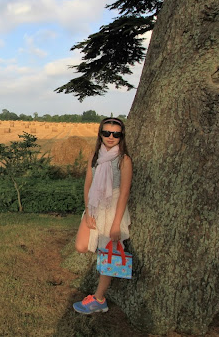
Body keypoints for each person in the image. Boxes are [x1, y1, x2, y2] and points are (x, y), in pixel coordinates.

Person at [72, 117, 132, 314]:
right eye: (106, 133)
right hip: (94, 205)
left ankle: (99, 299)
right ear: (100, 134)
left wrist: (116, 224)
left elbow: (124, 193)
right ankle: (100, 261)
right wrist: (88, 211)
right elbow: (87, 185)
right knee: (81, 246)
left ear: (121, 136)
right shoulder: (94, 156)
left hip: (113, 208)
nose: (111, 137)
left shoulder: (124, 160)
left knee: (109, 254)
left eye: (116, 134)